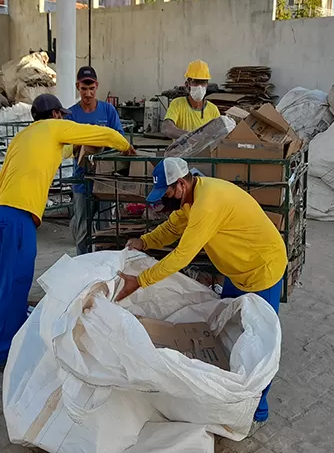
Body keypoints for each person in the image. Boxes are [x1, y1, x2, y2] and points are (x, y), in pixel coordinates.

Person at [116, 157, 286, 433]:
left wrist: (141, 281)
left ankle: (256, 409)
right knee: (228, 329)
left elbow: (182, 255)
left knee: (257, 341)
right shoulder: (192, 198)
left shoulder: (207, 204)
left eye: (167, 193)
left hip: (261, 269)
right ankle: (228, 395)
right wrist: (144, 241)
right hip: (237, 270)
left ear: (181, 184)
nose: (165, 200)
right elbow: (172, 228)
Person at [0, 93, 135, 371]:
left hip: (1, 210)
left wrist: (79, 149)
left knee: (9, 280)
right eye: (62, 116)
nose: (64, 119)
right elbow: (101, 133)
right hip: (19, 214)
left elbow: (1, 179)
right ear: (55, 115)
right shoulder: (54, 127)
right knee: (16, 283)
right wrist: (126, 147)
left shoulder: (24, 137)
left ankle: (9, 341)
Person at [67, 66, 126, 255]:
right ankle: (83, 267)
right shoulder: (71, 114)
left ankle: (103, 266)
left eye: (91, 88)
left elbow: (120, 139)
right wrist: (80, 147)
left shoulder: (108, 111)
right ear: (78, 87)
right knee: (83, 228)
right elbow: (66, 146)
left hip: (105, 179)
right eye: (84, 89)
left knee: (105, 227)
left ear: (97, 86)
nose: (88, 93)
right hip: (82, 180)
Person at [161, 60, 221, 139]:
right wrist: (191, 136)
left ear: (207, 85)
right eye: (195, 82)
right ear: (187, 84)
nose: (199, 86)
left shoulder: (213, 110)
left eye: (203, 82)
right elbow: (167, 128)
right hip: (182, 151)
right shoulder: (177, 104)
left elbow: (220, 135)